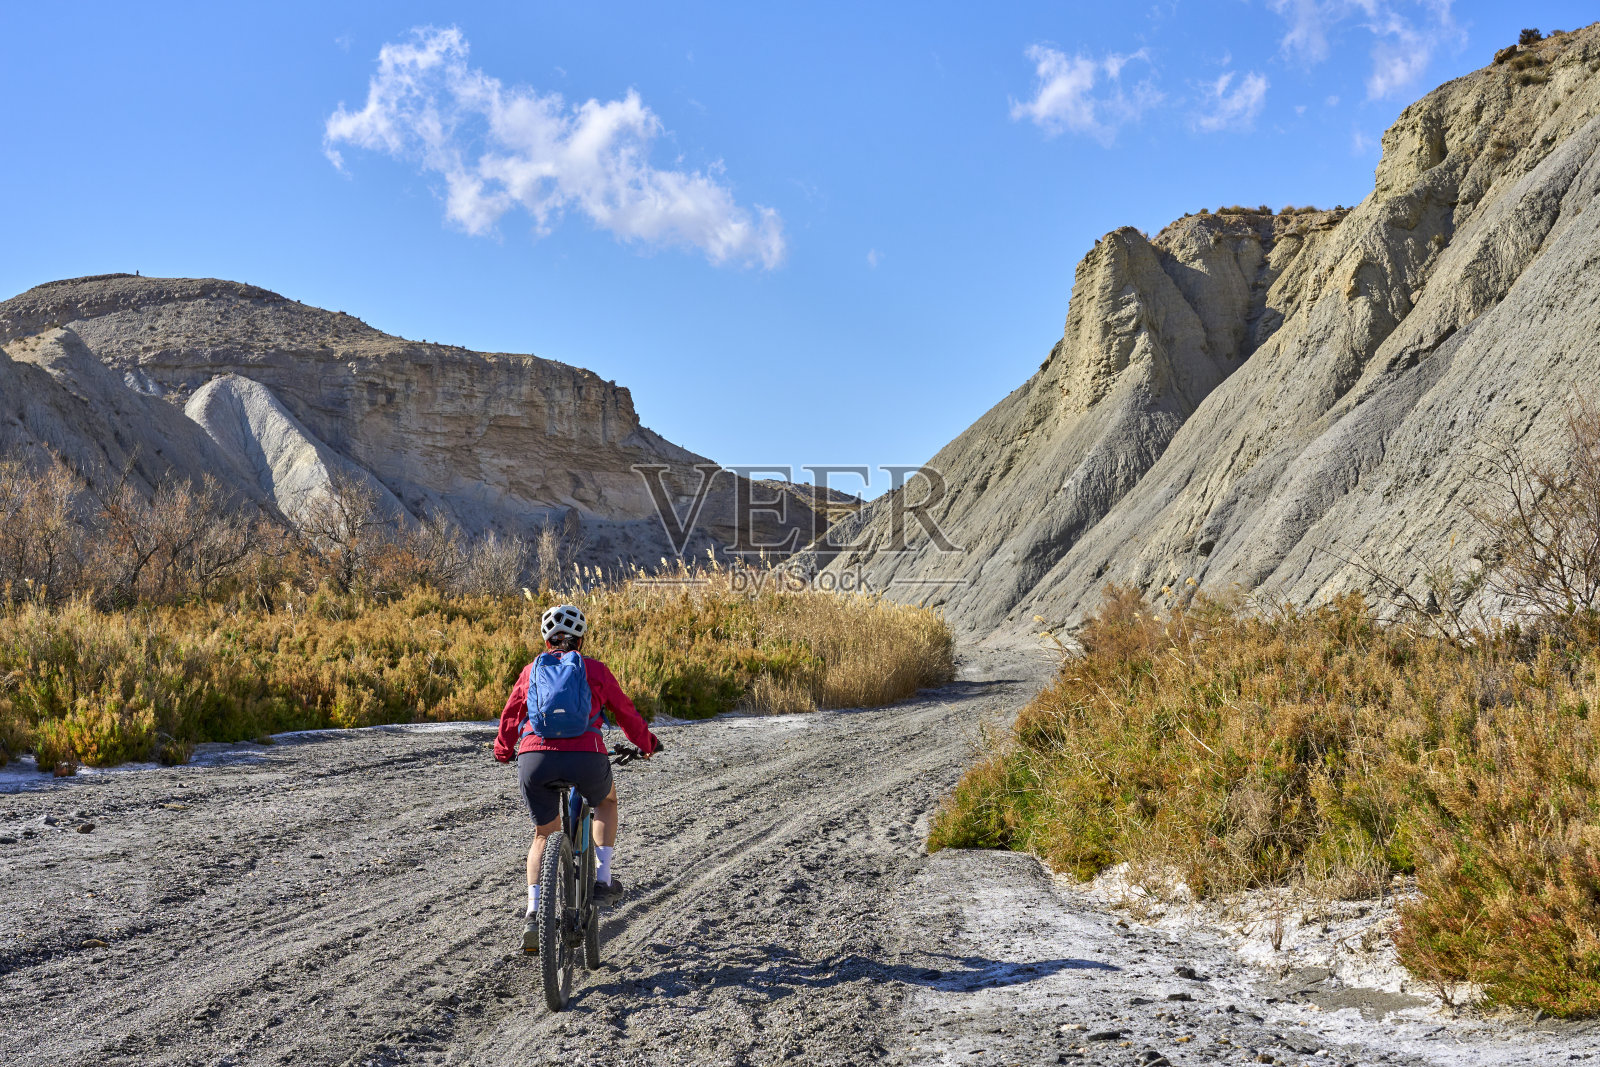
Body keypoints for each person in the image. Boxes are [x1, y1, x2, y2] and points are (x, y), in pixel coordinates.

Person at [493, 603, 660, 953]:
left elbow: (511, 716)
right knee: (606, 801)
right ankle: (602, 880)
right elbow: (625, 712)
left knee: (543, 834)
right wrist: (647, 744)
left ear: (547, 638)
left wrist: (504, 751)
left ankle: (534, 913)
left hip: (535, 758)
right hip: (587, 755)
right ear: (580, 639)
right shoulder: (595, 670)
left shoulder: (530, 672)